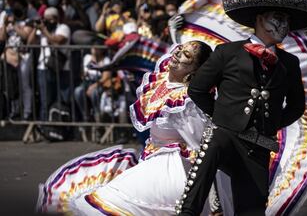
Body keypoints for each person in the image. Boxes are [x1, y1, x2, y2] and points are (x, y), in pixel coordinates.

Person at [176, 0, 307, 215]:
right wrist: (222, 116)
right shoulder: (227, 52)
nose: (284, 25)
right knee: (203, 170)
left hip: (259, 146)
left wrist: (270, 124)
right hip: (224, 136)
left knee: (252, 207)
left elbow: (296, 107)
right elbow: (197, 89)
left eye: (287, 21)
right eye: (278, 17)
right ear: (259, 18)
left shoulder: (289, 63)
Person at [37, 41, 221, 215]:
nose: (178, 54)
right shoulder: (164, 78)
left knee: (105, 202)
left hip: (174, 170)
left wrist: (211, 196)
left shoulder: (186, 103)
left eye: (186, 55)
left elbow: (203, 148)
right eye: (180, 48)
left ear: (194, 71)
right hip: (153, 160)